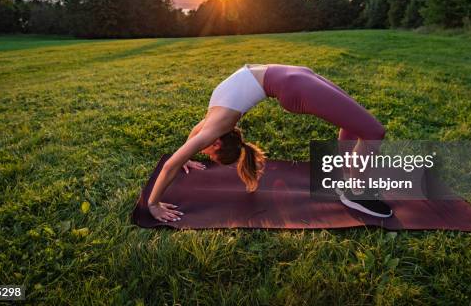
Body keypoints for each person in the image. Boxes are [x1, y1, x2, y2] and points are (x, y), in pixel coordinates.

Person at [147, 63, 392, 223]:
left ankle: (349, 184)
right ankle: (356, 191)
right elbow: (183, 151)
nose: (204, 153)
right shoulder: (216, 122)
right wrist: (184, 158)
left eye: (209, 156)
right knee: (374, 132)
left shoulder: (213, 126)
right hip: (294, 83)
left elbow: (172, 163)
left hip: (298, 78)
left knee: (358, 126)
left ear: (217, 144)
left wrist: (153, 203)